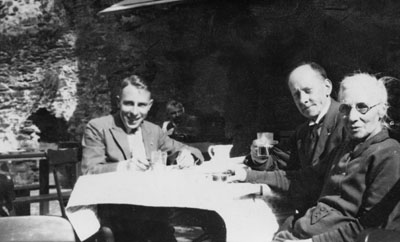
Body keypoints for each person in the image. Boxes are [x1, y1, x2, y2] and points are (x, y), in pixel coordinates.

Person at [229, 73, 400, 242]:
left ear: (381, 110)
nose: (353, 117)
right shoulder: (345, 149)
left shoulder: (388, 154)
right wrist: (248, 176)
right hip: (301, 230)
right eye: (346, 108)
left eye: (362, 107)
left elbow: (371, 226)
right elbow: (302, 180)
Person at [81, 75, 204, 242]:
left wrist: (188, 156)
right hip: (117, 218)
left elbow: (191, 150)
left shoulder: (154, 131)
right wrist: (125, 166)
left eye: (141, 105)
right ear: (118, 102)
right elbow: (89, 170)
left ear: (149, 106)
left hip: (156, 215)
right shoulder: (98, 127)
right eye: (128, 103)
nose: (134, 112)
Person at [246, 62, 347, 213]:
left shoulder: (348, 121)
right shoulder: (302, 132)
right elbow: (280, 166)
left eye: (308, 91)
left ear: (327, 87)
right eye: (296, 95)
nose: (302, 100)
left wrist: (247, 175)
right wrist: (259, 155)